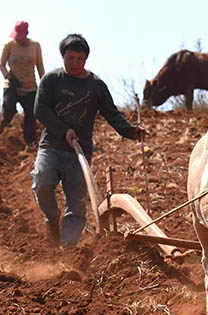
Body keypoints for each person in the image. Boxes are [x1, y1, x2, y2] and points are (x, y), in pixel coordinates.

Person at [32, 33, 146, 248]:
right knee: (42, 183)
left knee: (77, 202)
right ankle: (51, 217)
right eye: (70, 58)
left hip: (80, 151)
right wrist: (64, 130)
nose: (74, 63)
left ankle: (68, 249)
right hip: (51, 146)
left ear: (86, 59)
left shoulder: (96, 86)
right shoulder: (52, 80)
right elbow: (40, 110)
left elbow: (111, 113)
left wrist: (129, 131)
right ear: (63, 57)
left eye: (79, 59)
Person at [0, 20, 45, 148]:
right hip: (12, 84)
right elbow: (1, 65)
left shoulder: (35, 46)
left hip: (30, 87)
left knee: (31, 114)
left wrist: (45, 84)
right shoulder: (9, 45)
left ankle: (30, 142)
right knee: (9, 106)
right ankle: (2, 124)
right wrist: (8, 76)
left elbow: (40, 67)